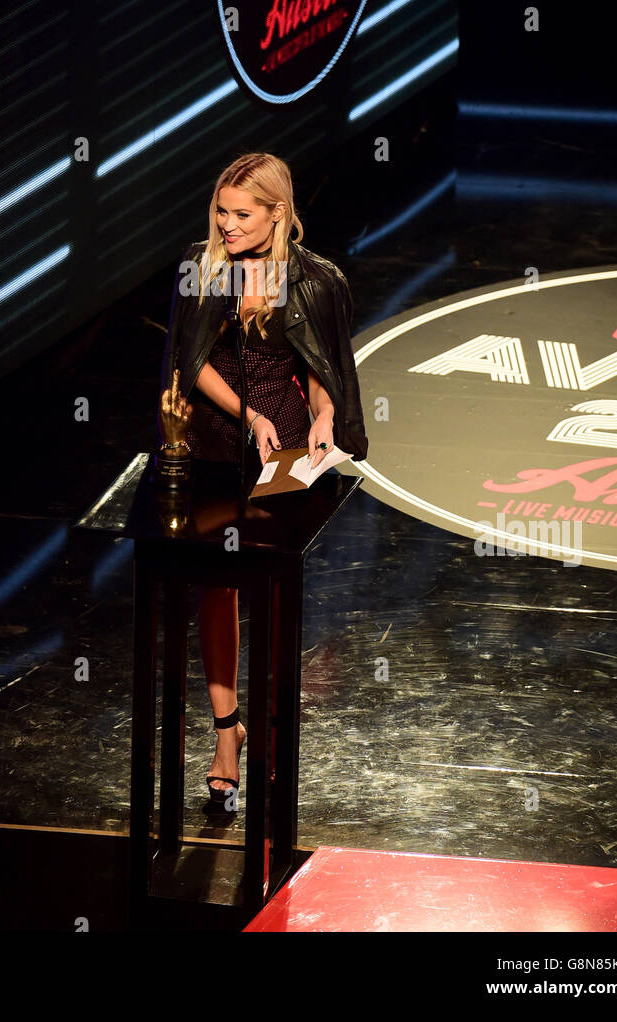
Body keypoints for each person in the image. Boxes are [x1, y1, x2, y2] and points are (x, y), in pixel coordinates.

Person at [158, 152, 368, 808]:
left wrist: (326, 416)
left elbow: (326, 370)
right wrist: (244, 412)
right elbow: (186, 361)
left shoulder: (317, 280)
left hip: (288, 451)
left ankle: (274, 731)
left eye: (241, 214)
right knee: (216, 587)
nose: (227, 225)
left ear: (278, 212)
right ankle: (227, 735)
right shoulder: (203, 265)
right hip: (220, 445)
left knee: (273, 588)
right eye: (220, 211)